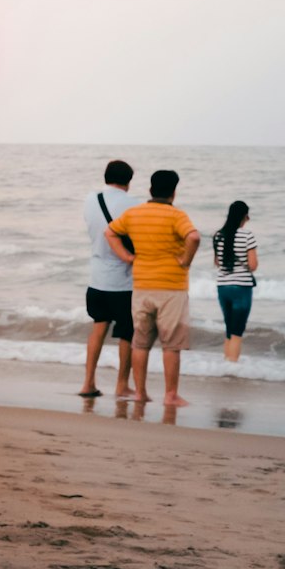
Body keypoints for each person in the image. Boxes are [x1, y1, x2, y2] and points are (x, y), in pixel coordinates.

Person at [104, 169, 200, 408]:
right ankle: (170, 394)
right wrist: (186, 261)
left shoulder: (134, 213)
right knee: (171, 344)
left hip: (142, 286)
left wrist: (127, 256)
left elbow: (110, 232)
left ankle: (140, 393)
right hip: (171, 288)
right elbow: (194, 238)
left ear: (150, 190)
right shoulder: (176, 215)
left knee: (140, 342)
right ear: (174, 192)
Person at [80, 159, 141, 398]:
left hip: (96, 278)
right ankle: (122, 385)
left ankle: (88, 383)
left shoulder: (90, 199)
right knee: (127, 333)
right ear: (128, 181)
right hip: (123, 281)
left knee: (98, 328)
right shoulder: (132, 205)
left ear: (106, 176)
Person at [213, 201, 258, 362]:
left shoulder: (218, 235)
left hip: (223, 287)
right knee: (237, 331)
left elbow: (217, 263)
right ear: (244, 216)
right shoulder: (247, 235)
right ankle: (232, 368)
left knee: (229, 328)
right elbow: (253, 266)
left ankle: (227, 363)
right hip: (242, 287)